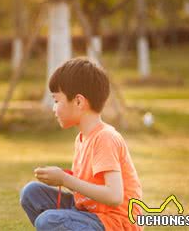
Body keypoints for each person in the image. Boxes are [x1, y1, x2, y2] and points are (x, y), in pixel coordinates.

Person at [20, 58, 143, 230]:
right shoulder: (81, 138)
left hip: (114, 222)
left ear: (78, 101)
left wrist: (65, 179)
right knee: (31, 193)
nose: (53, 108)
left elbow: (114, 196)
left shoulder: (105, 138)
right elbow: (89, 183)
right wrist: (63, 176)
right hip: (87, 213)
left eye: (56, 101)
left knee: (48, 221)